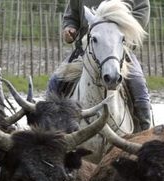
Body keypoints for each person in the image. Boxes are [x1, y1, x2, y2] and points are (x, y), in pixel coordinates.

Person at [48, 0, 152, 132]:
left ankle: (144, 135)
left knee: (139, 86)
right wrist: (70, 28)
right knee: (55, 82)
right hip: (86, 51)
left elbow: (141, 12)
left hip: (121, 52)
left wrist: (123, 27)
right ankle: (49, 136)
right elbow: (71, 15)